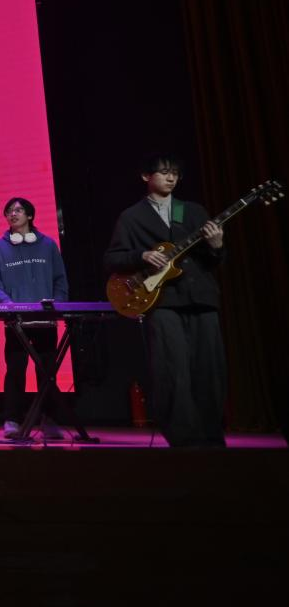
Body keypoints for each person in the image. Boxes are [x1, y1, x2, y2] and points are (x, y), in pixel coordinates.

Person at [104, 154, 226, 447]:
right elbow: (112, 259)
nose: (171, 178)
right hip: (163, 301)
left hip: (200, 298)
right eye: (164, 172)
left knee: (209, 369)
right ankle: (184, 437)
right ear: (146, 176)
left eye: (175, 173)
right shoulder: (132, 217)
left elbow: (214, 260)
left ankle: (212, 435)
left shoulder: (192, 211)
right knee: (173, 370)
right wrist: (142, 255)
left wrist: (217, 245)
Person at [0, 196, 70, 440]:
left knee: (47, 371)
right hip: (16, 322)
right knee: (15, 370)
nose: (13, 214)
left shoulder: (48, 245)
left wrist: (56, 306)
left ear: (30, 216)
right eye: (9, 211)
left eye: (18, 210)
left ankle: (48, 420)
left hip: (45, 320)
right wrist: (10, 306)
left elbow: (60, 280)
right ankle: (12, 420)